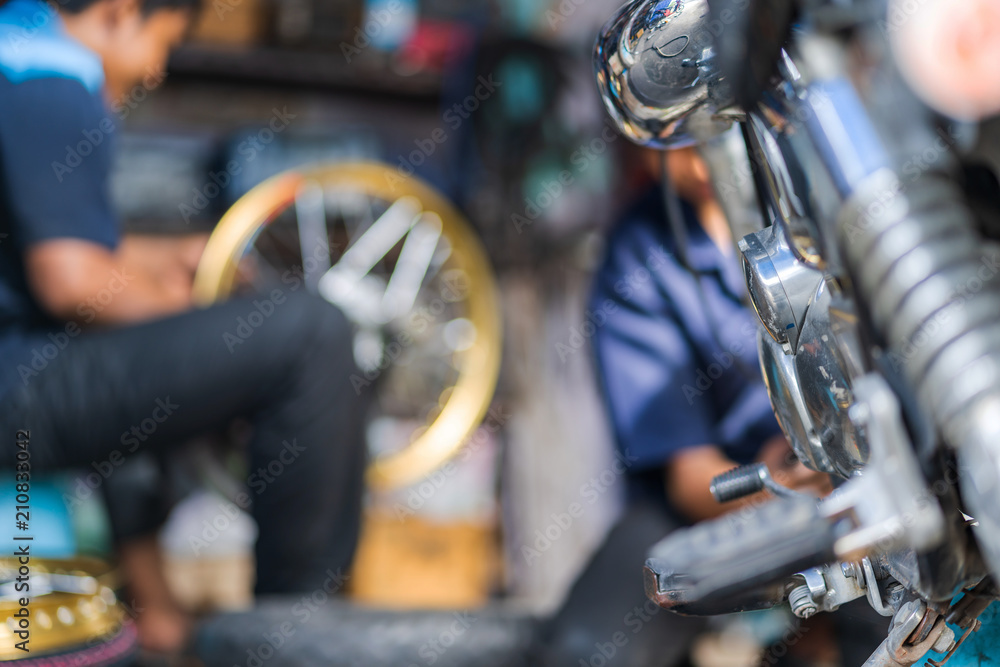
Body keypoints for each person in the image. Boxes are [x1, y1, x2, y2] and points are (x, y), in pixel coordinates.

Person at [0, 0, 368, 654]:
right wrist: (204, 319)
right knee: (312, 332)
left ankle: (157, 606)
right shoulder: (52, 79)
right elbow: (72, 279)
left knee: (143, 354)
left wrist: (164, 266)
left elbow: (48, 248)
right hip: (16, 383)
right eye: (160, 43)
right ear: (117, 13)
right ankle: (294, 637)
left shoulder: (13, 53)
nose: (156, 70)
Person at [537, 146, 880, 666]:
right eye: (680, 145)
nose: (702, 164)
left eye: (712, 140)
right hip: (714, 505)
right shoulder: (639, 253)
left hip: (871, 484)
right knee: (590, 650)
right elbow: (689, 476)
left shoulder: (831, 196)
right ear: (643, 144)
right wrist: (778, 487)